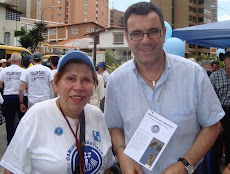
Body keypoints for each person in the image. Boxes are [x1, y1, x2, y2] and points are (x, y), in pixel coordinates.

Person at [104, 2, 224, 174]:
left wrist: (185, 165)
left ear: (163, 33)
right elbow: (114, 126)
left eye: (153, 31)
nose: (145, 40)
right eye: (136, 34)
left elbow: (212, 125)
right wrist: (122, 154)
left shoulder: (194, 75)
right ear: (127, 38)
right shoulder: (116, 81)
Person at [0, 50, 115, 174]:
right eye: (71, 78)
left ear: (94, 86)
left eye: (86, 80)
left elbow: (106, 165)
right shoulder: (37, 115)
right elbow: (12, 170)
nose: (78, 87)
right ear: (56, 84)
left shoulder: (98, 116)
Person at [210, 46, 230, 174]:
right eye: (229, 58)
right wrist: (217, 121)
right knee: (215, 148)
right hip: (219, 112)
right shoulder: (215, 76)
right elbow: (210, 100)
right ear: (225, 60)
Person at [0, 53, 27, 144]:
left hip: (8, 96)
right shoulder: (23, 71)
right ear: (20, 61)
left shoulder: (4, 71)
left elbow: (0, 84)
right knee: (22, 120)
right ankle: (21, 141)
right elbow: (26, 86)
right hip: (20, 97)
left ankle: (10, 141)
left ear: (11, 60)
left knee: (9, 120)